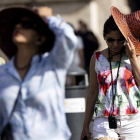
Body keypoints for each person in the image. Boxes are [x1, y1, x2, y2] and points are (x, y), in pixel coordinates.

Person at [0, 6, 77, 140]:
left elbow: (69, 38)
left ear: (40, 38)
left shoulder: (52, 66)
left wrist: (49, 18)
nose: (18, 26)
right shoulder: (3, 74)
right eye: (15, 24)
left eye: (27, 24)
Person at [80, 6, 140, 140]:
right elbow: (92, 93)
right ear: (104, 38)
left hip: (133, 120)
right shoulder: (96, 58)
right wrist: (85, 126)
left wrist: (132, 58)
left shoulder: (136, 56)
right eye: (110, 40)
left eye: (120, 40)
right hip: (104, 119)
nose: (115, 44)